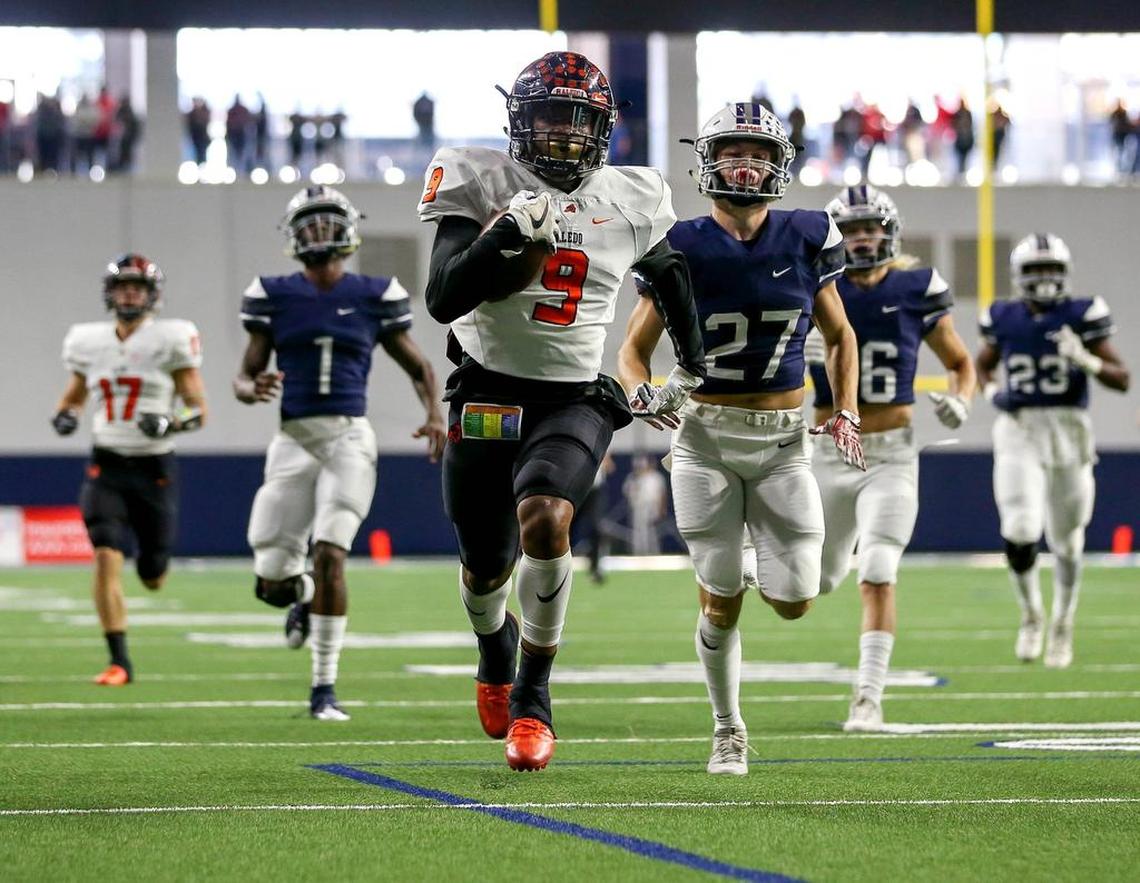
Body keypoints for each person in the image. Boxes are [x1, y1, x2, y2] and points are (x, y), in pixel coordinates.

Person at [418, 51, 705, 771]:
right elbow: (444, 298)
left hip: (573, 396)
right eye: (546, 115)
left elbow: (669, 276)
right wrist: (502, 236)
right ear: (519, 121)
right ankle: (495, 645)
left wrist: (693, 368)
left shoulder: (631, 195)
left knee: (547, 517)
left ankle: (533, 700)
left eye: (575, 119)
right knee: (485, 570)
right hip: (483, 389)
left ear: (602, 127)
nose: (560, 134)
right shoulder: (481, 179)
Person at [617, 102, 862, 776]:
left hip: (785, 439)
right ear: (708, 160)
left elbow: (841, 336)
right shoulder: (681, 243)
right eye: (732, 152)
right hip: (705, 437)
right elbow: (632, 351)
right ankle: (728, 728)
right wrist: (642, 392)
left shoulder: (810, 234)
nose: (745, 165)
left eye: (757, 152)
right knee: (720, 596)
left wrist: (847, 409)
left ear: (779, 162)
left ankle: (755, 554)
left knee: (794, 601)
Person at [236, 185, 445, 720]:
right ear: (293, 234)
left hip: (349, 438)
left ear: (350, 231)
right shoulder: (273, 293)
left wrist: (435, 415)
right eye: (310, 224)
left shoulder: (376, 293)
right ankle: (301, 592)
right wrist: (249, 387)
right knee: (271, 583)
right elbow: (246, 371)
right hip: (293, 440)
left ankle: (323, 688)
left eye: (329, 223)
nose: (320, 234)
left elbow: (419, 365)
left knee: (332, 552)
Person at [807, 185, 976, 732]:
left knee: (878, 567)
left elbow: (960, 362)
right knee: (820, 579)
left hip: (893, 454)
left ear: (889, 230)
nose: (861, 238)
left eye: (869, 227)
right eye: (851, 229)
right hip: (830, 448)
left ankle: (868, 699)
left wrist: (961, 400)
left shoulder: (917, 286)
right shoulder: (815, 286)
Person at [52, 254, 207, 685]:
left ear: (152, 295)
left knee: (153, 577)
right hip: (107, 465)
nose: (129, 293)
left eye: (137, 286)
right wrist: (66, 415)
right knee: (104, 557)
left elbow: (199, 409)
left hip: (154, 467)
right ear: (110, 293)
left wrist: (172, 421)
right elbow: (73, 397)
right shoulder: (89, 342)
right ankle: (119, 661)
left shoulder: (172, 338)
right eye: (123, 286)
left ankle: (153, 565)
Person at [976, 233, 1129, 668]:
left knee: (1067, 541)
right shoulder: (1003, 316)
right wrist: (991, 396)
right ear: (1019, 276)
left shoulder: (1084, 313)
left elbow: (1123, 378)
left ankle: (1063, 621)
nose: (1044, 280)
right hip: (1020, 428)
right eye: (1035, 271)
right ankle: (1031, 614)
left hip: (1069, 428)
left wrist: (1086, 360)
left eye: (1052, 271)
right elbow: (981, 366)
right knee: (1021, 529)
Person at [622, 454, 668, 554]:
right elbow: (627, 491)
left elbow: (662, 494)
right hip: (638, 507)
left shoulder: (657, 477)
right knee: (638, 531)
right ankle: (638, 552)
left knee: (651, 532)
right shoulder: (634, 477)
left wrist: (662, 508)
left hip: (652, 507)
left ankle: (653, 553)